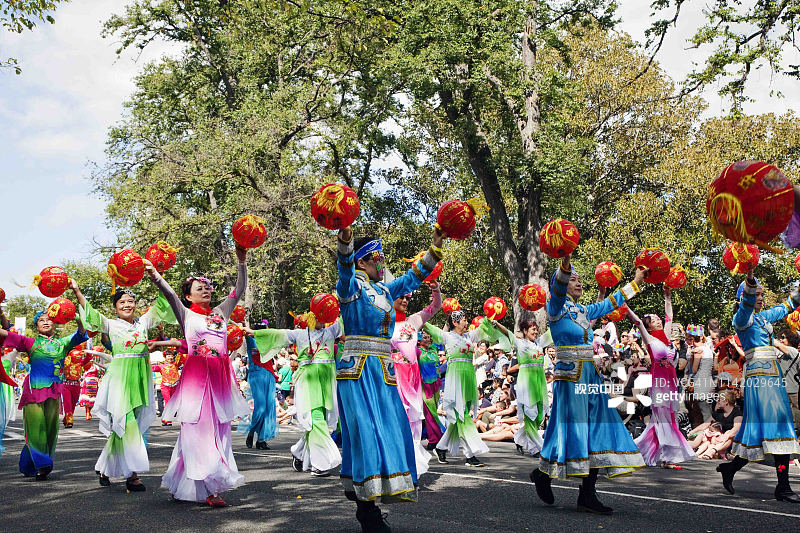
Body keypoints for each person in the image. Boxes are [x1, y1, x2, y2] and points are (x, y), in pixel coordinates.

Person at [335, 225, 443, 533]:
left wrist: (434, 247)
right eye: (378, 258)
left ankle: (362, 488)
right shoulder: (351, 286)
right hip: (357, 369)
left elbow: (412, 278)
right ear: (362, 261)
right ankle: (366, 510)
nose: (383, 263)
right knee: (365, 433)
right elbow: (343, 270)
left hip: (383, 370)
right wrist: (344, 242)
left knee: (391, 431)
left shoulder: (384, 289)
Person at [530, 253, 647, 515]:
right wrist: (565, 263)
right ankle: (543, 474)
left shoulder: (583, 310)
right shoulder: (555, 308)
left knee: (598, 428)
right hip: (570, 377)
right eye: (573, 279)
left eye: (580, 279)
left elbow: (609, 303)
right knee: (570, 429)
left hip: (590, 376)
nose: (578, 282)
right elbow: (558, 288)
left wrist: (636, 281)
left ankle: (587, 494)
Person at [143, 245, 250, 507]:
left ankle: (183, 483)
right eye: (198, 287)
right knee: (196, 432)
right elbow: (168, 293)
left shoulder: (222, 312)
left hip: (220, 379)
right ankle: (212, 489)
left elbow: (240, 289)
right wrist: (155, 274)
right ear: (188, 297)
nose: (205, 289)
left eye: (207, 286)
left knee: (219, 431)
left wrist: (241, 260)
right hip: (195, 380)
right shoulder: (186, 313)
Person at [74, 281, 174, 491]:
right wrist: (76, 290)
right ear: (115, 307)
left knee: (130, 425)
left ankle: (103, 468)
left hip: (140, 376)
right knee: (126, 423)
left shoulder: (143, 323)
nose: (127, 305)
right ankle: (133, 476)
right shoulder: (110, 324)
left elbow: (163, 305)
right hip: (120, 378)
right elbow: (90, 313)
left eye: (130, 301)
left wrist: (157, 277)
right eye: (122, 302)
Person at [717, 273, 800, 503]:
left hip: (772, 376)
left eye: (762, 293)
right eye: (757, 293)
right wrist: (750, 278)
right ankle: (782, 487)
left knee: (764, 431)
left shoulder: (763, 317)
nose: (761, 297)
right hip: (759, 379)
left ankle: (731, 469)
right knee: (778, 427)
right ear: (745, 296)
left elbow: (788, 305)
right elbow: (746, 306)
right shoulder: (741, 318)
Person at [0, 297, 87, 479]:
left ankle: (28, 465)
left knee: (49, 429)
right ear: (36, 325)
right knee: (35, 427)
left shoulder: (63, 343)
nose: (46, 321)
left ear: (55, 323)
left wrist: (76, 316)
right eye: (41, 320)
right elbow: (5, 334)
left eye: (49, 319)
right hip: (34, 390)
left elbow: (81, 332)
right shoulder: (29, 342)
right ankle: (43, 464)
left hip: (55, 391)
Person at [249, 314, 342, 474]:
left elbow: (346, 317)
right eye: (318, 315)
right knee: (316, 419)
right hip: (308, 380)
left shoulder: (331, 331)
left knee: (324, 423)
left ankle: (298, 452)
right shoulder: (300, 334)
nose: (321, 319)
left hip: (327, 381)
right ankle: (320, 464)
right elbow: (279, 335)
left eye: (324, 315)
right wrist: (255, 333)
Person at [627, 288, 695, 469]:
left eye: (658, 318)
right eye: (654, 320)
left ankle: (632, 451)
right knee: (665, 421)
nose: (658, 320)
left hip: (671, 384)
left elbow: (669, 316)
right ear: (649, 325)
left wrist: (668, 297)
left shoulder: (666, 338)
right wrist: (624, 306)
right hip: (659, 385)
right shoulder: (649, 339)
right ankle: (669, 458)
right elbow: (637, 321)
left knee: (665, 421)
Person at [423, 311, 490, 467]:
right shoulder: (447, 337)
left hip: (468, 378)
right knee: (463, 415)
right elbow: (428, 326)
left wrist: (490, 318)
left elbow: (483, 329)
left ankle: (441, 447)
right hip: (455, 379)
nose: (467, 323)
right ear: (455, 322)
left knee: (459, 417)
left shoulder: (469, 336)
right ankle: (470, 455)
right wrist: (417, 318)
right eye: (464, 321)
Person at [390, 284, 442, 475]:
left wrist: (436, 289)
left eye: (408, 298)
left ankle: (411, 466)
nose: (405, 301)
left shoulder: (413, 321)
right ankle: (396, 464)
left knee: (414, 423)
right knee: (397, 422)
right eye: (401, 297)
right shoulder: (382, 322)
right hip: (393, 380)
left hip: (412, 380)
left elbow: (435, 307)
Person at [485, 319, 549, 456]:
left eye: (537, 329)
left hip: (540, 384)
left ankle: (519, 438)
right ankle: (537, 449)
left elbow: (552, 333)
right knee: (530, 417)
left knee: (539, 417)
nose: (536, 332)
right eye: (533, 330)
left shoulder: (539, 344)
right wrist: (498, 324)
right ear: (525, 331)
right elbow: (508, 334)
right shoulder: (520, 343)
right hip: (526, 385)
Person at [241, 330, 280, 450]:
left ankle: (261, 439)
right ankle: (252, 431)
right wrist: (242, 323)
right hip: (256, 376)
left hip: (269, 376)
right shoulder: (251, 341)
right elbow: (245, 332)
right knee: (261, 407)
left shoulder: (270, 343)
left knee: (269, 409)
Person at [690, 390, 742, 459]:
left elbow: (736, 429)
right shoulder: (719, 412)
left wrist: (726, 436)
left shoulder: (737, 413)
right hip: (717, 438)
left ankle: (712, 451)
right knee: (701, 433)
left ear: (726, 401)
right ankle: (683, 446)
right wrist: (692, 432)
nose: (717, 401)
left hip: (730, 442)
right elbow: (705, 424)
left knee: (729, 435)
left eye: (719, 400)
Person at [418, 330, 445, 451]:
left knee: (434, 411)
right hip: (425, 385)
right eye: (425, 338)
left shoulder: (434, 349)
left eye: (429, 337)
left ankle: (434, 437)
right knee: (430, 413)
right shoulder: (417, 350)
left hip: (436, 384)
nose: (428, 339)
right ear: (419, 340)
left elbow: (442, 333)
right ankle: (435, 439)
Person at [149, 345, 185, 426]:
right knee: (168, 402)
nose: (170, 357)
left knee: (172, 403)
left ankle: (166, 419)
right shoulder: (161, 366)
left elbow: (181, 358)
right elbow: (151, 368)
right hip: (165, 386)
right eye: (168, 356)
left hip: (175, 386)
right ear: (165, 357)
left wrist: (179, 349)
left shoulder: (176, 364)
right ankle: (167, 420)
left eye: (171, 356)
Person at [60, 344, 93, 428]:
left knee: (73, 404)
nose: (78, 356)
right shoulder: (66, 362)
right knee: (67, 403)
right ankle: (69, 420)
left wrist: (88, 351)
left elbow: (88, 358)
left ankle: (66, 419)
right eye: (77, 354)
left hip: (76, 385)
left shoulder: (80, 363)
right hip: (66, 385)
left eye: (80, 355)